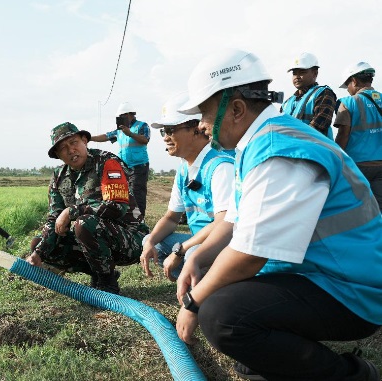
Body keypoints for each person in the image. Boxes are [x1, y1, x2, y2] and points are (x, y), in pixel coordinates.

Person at [173, 48, 382, 380]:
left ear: (237, 109)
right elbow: (233, 222)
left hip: (353, 291)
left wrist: (193, 303)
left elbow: (250, 254)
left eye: (205, 114)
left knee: (222, 314)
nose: (201, 126)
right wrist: (199, 257)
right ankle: (270, 356)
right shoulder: (257, 143)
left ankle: (352, 375)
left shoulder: (278, 152)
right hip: (324, 274)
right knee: (220, 281)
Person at [26, 122, 149, 294]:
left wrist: (71, 211)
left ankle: (107, 284)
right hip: (95, 240)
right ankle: (102, 272)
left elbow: (117, 207)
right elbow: (54, 218)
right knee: (40, 243)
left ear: (84, 141)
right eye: (63, 148)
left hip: (131, 240)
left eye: (74, 143)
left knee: (84, 223)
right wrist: (38, 253)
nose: (70, 150)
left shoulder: (108, 162)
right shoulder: (58, 176)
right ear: (58, 155)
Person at [139, 94, 234, 281]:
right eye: (163, 131)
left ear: (196, 130)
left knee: (193, 254)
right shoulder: (184, 169)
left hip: (225, 244)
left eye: (171, 130)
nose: (166, 138)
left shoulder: (221, 167)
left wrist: (181, 250)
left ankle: (206, 293)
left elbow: (223, 224)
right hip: (199, 240)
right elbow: (171, 218)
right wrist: (150, 241)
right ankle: (192, 280)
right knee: (153, 242)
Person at [334, 62, 382, 212]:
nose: (348, 90)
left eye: (347, 84)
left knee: (359, 212)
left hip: (357, 166)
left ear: (354, 81)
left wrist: (336, 158)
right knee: (379, 211)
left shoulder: (348, 103)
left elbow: (343, 135)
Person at [90, 102, 150, 216]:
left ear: (128, 114)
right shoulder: (120, 131)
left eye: (121, 116)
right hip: (124, 167)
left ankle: (140, 219)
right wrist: (89, 138)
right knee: (125, 193)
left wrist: (130, 133)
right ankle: (130, 217)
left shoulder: (142, 126)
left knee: (137, 193)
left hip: (139, 167)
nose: (120, 119)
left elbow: (145, 139)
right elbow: (106, 136)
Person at [280, 52, 337, 138]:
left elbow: (318, 127)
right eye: (294, 73)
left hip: (315, 150)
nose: (297, 76)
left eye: (302, 72)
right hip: (291, 149)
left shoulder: (324, 93)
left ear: (315, 73)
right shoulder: (286, 103)